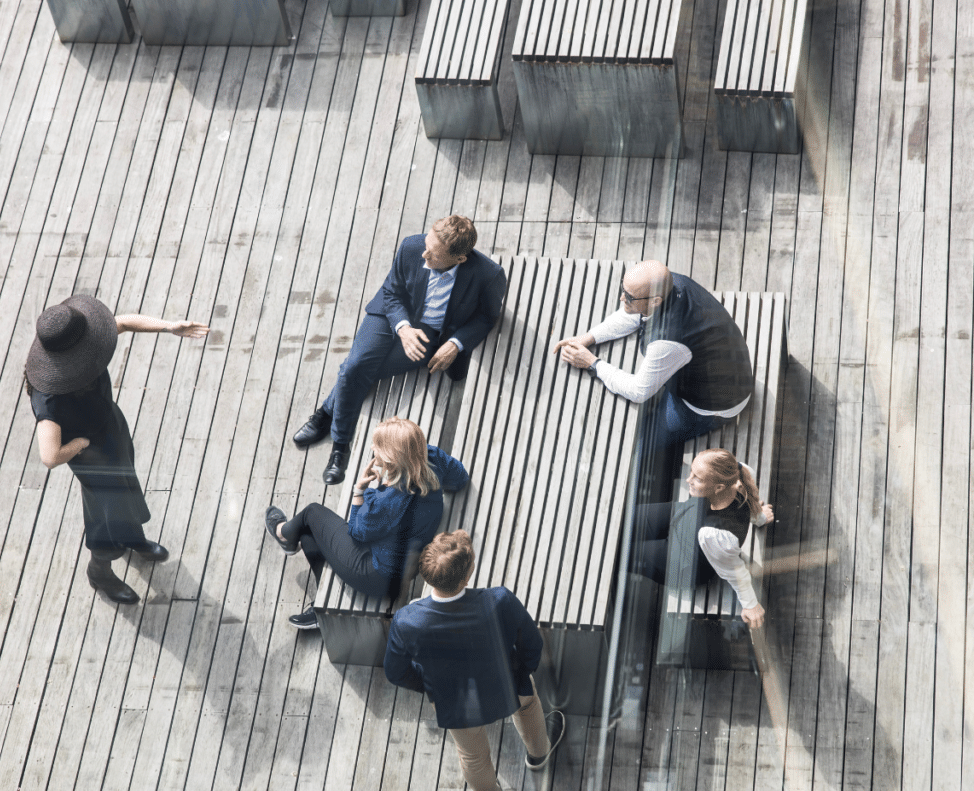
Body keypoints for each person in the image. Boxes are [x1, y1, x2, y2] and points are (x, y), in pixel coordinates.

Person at [292, 215, 506, 485]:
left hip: (430, 334)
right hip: (391, 315)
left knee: (355, 370)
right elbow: (391, 292)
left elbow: (487, 316)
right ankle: (340, 446)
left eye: (433, 254)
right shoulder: (411, 246)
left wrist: (455, 343)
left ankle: (325, 414)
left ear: (460, 259)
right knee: (356, 366)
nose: (424, 254)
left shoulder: (489, 275)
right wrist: (403, 328)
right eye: (426, 245)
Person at [26, 295, 209, 604]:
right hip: (89, 455)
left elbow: (122, 322)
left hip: (110, 428)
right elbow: (49, 456)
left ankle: (133, 539)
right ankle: (100, 571)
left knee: (127, 485)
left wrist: (169, 326)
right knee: (107, 513)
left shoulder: (84, 345)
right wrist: (79, 444)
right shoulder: (49, 397)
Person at [383, 530, 566, 791]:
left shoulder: (407, 621)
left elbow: (395, 672)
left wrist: (432, 687)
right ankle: (538, 755)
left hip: (455, 703)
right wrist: (521, 673)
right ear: (466, 578)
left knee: (473, 757)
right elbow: (532, 644)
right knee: (528, 706)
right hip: (506, 683)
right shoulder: (499, 600)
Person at [265, 416, 469, 629]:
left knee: (311, 513)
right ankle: (319, 605)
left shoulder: (386, 502)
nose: (372, 448)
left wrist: (360, 491)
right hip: (407, 560)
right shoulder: (430, 456)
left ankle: (283, 534)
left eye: (377, 446)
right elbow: (459, 478)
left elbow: (356, 531)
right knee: (308, 536)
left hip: (377, 576)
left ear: (391, 458)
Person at [552, 259, 753, 448]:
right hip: (721, 369)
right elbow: (634, 313)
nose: (621, 298)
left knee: (640, 440)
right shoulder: (671, 284)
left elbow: (639, 391)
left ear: (656, 301)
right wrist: (589, 337)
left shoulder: (669, 339)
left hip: (712, 406)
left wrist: (592, 363)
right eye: (622, 289)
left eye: (628, 297)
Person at [635, 448, 774, 627]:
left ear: (718, 487)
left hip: (684, 560)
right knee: (627, 518)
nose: (688, 480)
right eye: (691, 472)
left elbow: (735, 571)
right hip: (685, 514)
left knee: (623, 553)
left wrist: (750, 605)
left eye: (697, 478)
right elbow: (750, 502)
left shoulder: (715, 534)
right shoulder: (741, 473)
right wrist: (760, 517)